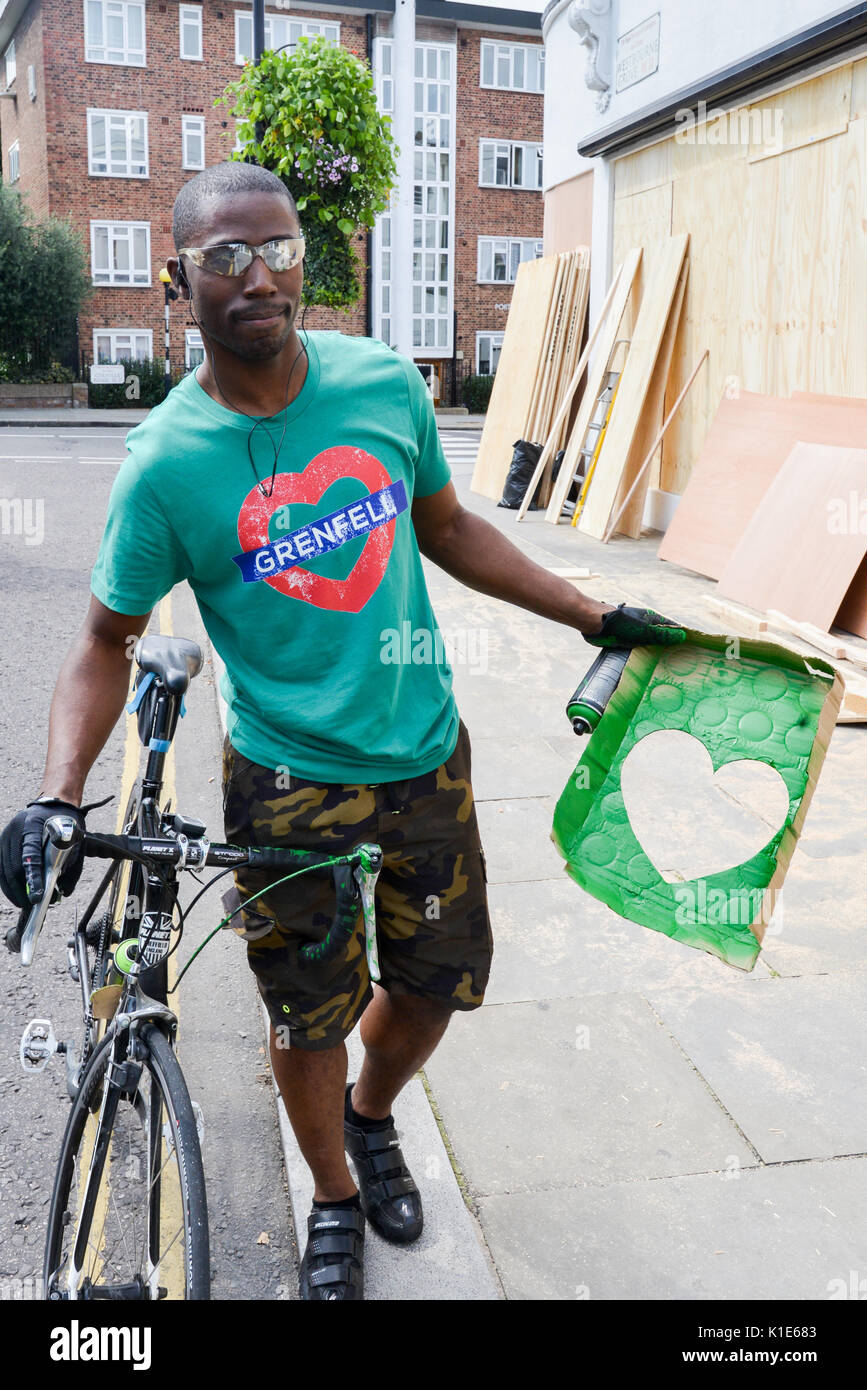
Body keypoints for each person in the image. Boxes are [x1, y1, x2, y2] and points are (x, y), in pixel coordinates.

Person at [0, 162, 685, 1300]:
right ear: (181, 281)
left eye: (277, 249)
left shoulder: (381, 387)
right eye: (225, 256)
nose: (257, 275)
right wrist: (60, 792)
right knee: (306, 1014)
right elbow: (103, 641)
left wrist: (591, 611)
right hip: (286, 783)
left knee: (437, 983)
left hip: (427, 755)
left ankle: (373, 1117)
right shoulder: (166, 466)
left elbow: (448, 527)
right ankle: (332, 1192)